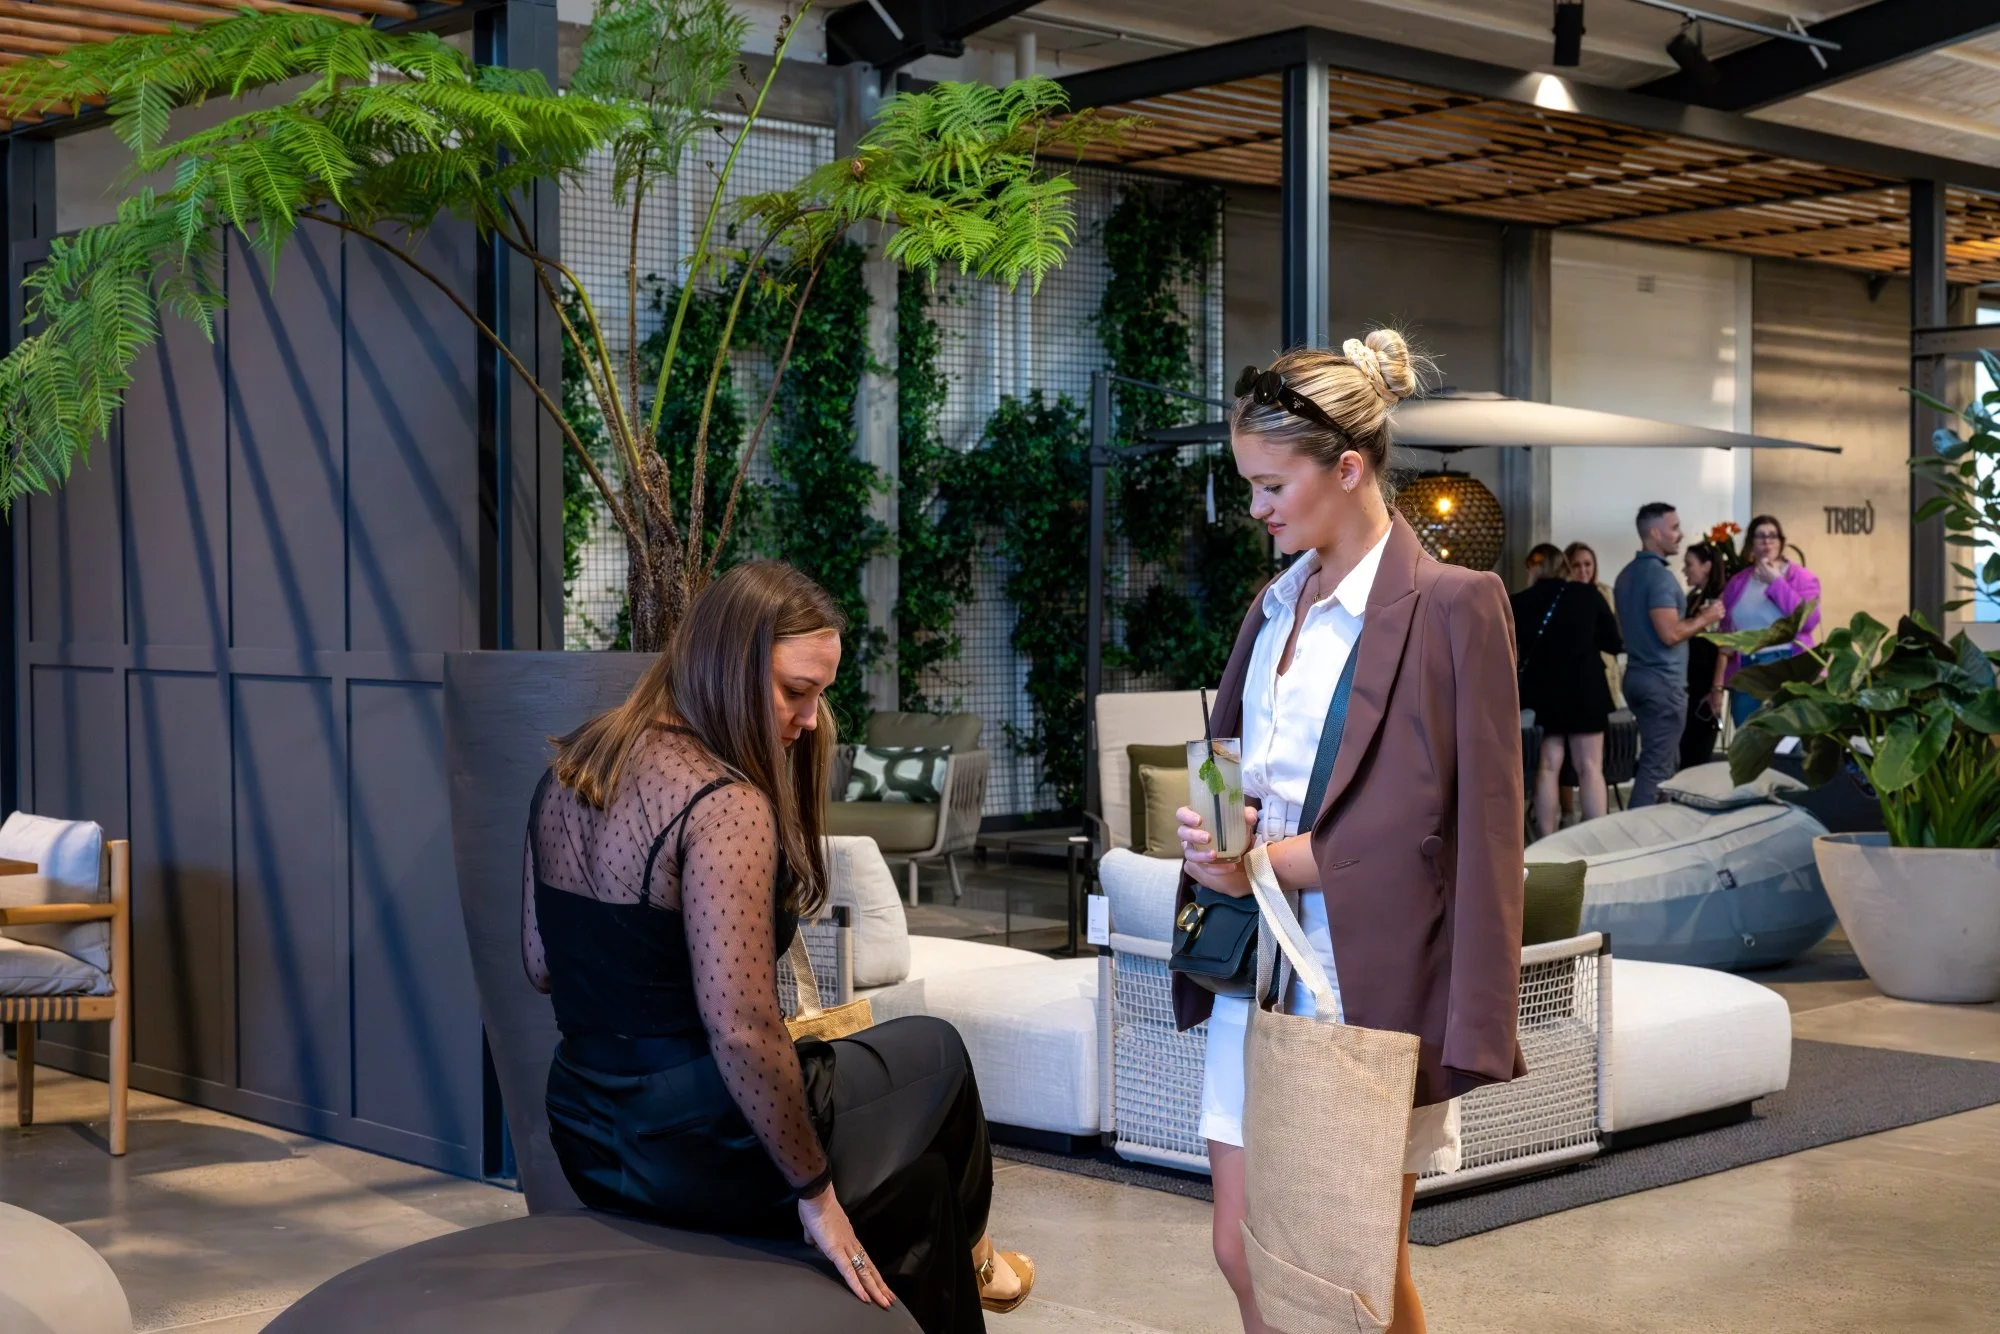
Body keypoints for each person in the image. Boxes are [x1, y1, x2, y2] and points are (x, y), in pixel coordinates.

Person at [521, 561, 1030, 1333]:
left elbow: (540, 964)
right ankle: (981, 1257)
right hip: (704, 1144)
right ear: (727, 664)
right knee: (938, 1052)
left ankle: (969, 1259)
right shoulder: (723, 802)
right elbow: (743, 1033)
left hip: (586, 1127)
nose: (811, 719)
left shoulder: (574, 763)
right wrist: (817, 1198)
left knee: (920, 1186)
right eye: (797, 691)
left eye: (821, 693)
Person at [1175, 334, 1526, 1334]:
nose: (1255, 509)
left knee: (1340, 1272)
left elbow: (1473, 822)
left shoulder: (1455, 605)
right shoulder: (1274, 600)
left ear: (1346, 468)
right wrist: (1209, 828)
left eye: (1268, 484)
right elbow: (1228, 742)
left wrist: (1478, 1015)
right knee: (1243, 1251)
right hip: (1254, 960)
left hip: (1359, 976)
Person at [1614, 504, 1725, 807]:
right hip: (1662, 682)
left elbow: (1624, 634)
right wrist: (1706, 617)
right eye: (1674, 527)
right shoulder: (1660, 579)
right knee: (1657, 767)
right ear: (1654, 533)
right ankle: (1640, 842)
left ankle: (1657, 834)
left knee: (1662, 761)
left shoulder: (1626, 575)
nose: (1681, 534)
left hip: (1637, 676)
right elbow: (1670, 634)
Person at [1512, 543, 1623, 840]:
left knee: (1548, 767)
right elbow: (1614, 643)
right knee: (1590, 767)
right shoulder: (1588, 594)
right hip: (1586, 690)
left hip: (1543, 692)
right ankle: (1593, 840)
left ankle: (1547, 839)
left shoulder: (1519, 601)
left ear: (1533, 568)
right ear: (1563, 565)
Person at [1721, 514, 1823, 729]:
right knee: (1747, 739)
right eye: (1760, 536)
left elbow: (1808, 621)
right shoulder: (1738, 582)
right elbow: (1727, 627)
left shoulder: (1801, 577)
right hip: (1746, 670)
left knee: (1786, 742)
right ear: (1751, 543)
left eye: (1772, 536)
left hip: (1784, 664)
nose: (1766, 541)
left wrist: (1776, 582)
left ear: (1781, 542)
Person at [1680, 541, 1728, 771]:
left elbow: (1723, 647)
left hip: (1704, 684)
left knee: (1696, 754)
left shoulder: (1719, 601)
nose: (1685, 570)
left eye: (1689, 564)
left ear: (1707, 566)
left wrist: (1716, 688)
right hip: (1687, 683)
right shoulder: (1692, 598)